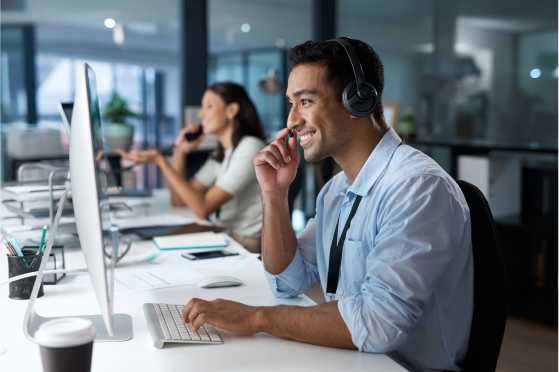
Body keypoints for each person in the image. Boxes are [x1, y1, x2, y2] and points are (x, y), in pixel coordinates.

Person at [180, 38, 473, 372]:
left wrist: (256, 317)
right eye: (291, 103)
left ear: (357, 101)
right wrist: (274, 196)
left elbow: (379, 324)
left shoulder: (417, 188)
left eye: (305, 101)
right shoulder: (336, 190)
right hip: (349, 357)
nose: (291, 120)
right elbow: (287, 282)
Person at [118, 82, 266, 253]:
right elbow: (179, 200)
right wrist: (180, 152)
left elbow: (202, 208)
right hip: (226, 234)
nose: (201, 115)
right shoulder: (222, 153)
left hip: (244, 242)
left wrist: (161, 161)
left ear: (231, 110)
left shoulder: (250, 148)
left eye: (209, 106)